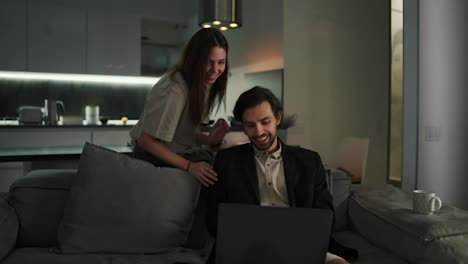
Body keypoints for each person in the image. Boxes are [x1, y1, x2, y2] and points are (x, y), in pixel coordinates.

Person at [206, 86, 357, 264]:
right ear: (243, 126)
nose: (259, 131)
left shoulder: (309, 161)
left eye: (265, 121)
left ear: (277, 118)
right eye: (250, 125)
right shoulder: (227, 161)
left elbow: (325, 217)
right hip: (249, 248)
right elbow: (214, 219)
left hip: (301, 244)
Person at [130, 28, 230, 187]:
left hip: (177, 155)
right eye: (208, 62)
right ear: (195, 59)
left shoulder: (201, 84)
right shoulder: (174, 89)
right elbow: (146, 141)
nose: (215, 70)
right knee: (218, 175)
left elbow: (184, 135)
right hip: (152, 159)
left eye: (221, 62)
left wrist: (210, 138)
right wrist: (190, 166)